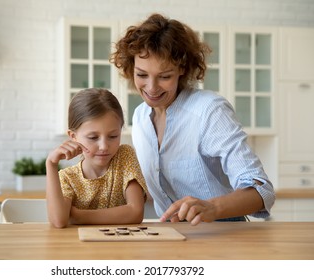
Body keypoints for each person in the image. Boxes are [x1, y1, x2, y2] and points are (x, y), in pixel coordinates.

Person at [110, 13, 275, 225]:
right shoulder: (140, 117)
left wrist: (212, 207)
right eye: (142, 75)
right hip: (171, 238)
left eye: (164, 76)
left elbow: (262, 190)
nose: (151, 88)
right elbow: (157, 188)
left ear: (182, 69)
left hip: (222, 235)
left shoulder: (209, 110)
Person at [46, 88, 147, 228]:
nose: (104, 146)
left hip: (122, 248)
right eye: (93, 137)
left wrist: (78, 216)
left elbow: (136, 212)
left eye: (113, 136)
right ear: (73, 137)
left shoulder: (125, 156)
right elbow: (59, 221)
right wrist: (51, 164)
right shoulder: (67, 177)